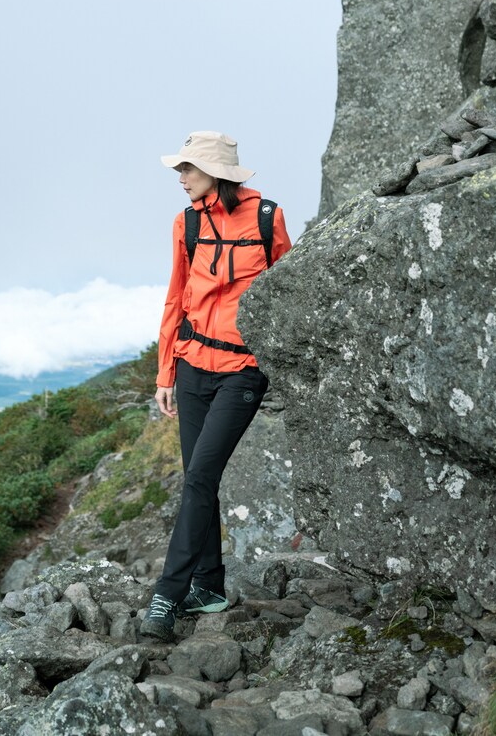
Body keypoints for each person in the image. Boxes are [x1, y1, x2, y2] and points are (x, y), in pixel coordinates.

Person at [141, 131, 292, 641]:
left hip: (243, 371)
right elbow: (175, 297)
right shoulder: (185, 223)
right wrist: (165, 372)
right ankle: (208, 586)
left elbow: (289, 294)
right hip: (190, 368)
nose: (180, 178)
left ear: (214, 171)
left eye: (187, 169)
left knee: (200, 478)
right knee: (196, 478)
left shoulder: (268, 217)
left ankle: (167, 594)